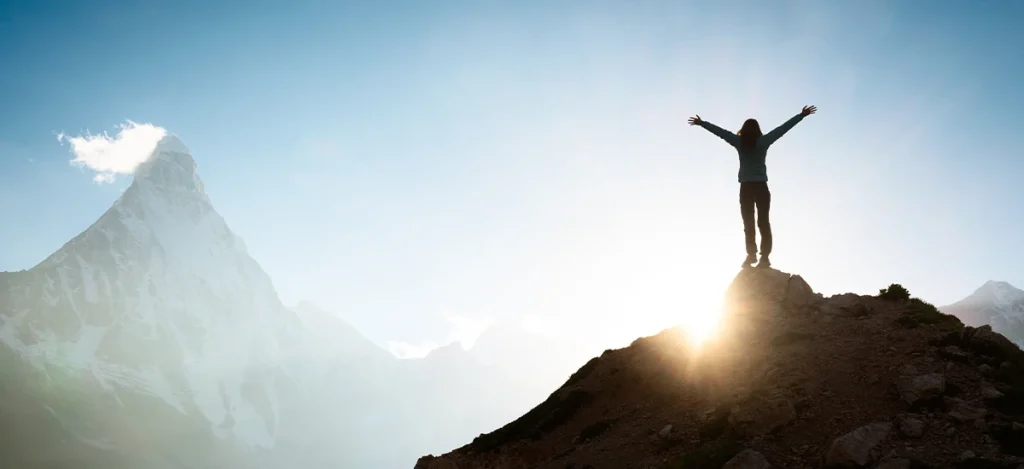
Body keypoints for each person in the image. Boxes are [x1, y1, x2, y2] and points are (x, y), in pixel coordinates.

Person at [688, 105, 817, 269]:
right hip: (761, 187)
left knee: (748, 223)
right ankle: (764, 258)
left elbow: (720, 132)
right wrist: (801, 115)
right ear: (757, 130)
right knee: (763, 222)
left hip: (746, 188)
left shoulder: (739, 142)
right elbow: (782, 129)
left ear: (743, 129)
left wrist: (702, 123)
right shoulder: (763, 141)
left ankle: (751, 255)